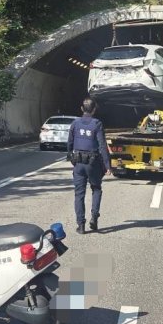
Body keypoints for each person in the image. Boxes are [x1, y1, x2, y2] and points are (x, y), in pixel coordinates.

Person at [67, 97, 109, 234]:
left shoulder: (75, 123)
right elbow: (102, 146)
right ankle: (94, 217)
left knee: (79, 194)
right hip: (93, 163)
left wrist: (71, 157)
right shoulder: (97, 124)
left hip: (78, 163)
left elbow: (69, 143)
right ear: (94, 109)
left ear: (81, 108)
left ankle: (81, 225)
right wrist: (108, 165)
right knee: (96, 189)